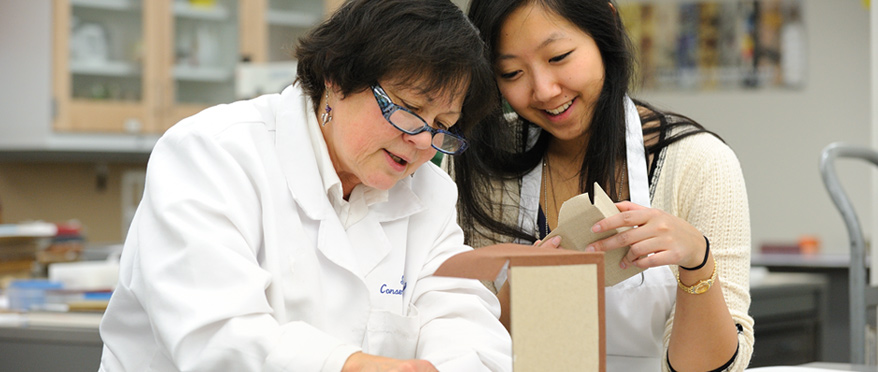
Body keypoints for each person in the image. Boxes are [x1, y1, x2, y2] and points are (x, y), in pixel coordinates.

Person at [98, 0, 512, 371]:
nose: (424, 142)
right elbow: (215, 333)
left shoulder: (430, 193)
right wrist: (352, 366)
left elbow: (462, 315)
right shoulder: (212, 154)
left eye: (442, 125)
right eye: (408, 109)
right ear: (335, 77)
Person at [450, 1, 754, 371]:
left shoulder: (698, 162)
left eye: (559, 57)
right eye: (512, 73)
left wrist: (697, 260)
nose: (544, 90)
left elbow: (712, 368)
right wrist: (528, 292)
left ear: (605, 27)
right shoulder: (481, 163)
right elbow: (461, 346)